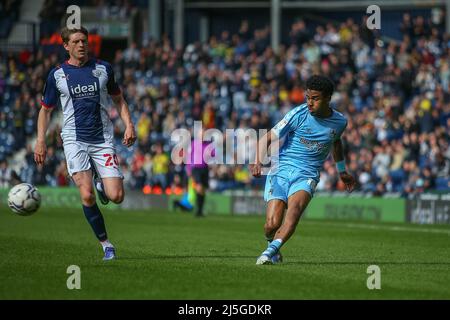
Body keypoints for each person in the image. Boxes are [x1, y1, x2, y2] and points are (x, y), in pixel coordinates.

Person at [34, 26, 136, 260]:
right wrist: (41, 141)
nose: (82, 45)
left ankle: (103, 185)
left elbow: (118, 99)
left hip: (102, 139)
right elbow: (45, 111)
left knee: (117, 196)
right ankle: (106, 245)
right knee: (86, 195)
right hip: (74, 140)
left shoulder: (103, 69)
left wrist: (129, 124)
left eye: (84, 41)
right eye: (77, 41)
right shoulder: (57, 75)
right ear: (66, 46)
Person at [250, 75, 356, 265]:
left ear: (328, 98)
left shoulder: (340, 122)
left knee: (295, 212)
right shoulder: (297, 114)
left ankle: (268, 254)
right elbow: (266, 138)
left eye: (315, 98)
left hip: (307, 174)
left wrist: (342, 171)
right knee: (271, 225)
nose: (309, 102)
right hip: (281, 170)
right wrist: (257, 160)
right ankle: (271, 243)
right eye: (308, 97)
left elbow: (336, 143)